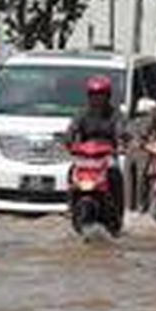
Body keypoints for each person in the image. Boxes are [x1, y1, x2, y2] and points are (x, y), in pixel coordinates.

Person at [65, 76, 125, 218]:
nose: (97, 99)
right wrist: (69, 141)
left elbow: (121, 131)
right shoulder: (81, 114)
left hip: (107, 156)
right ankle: (71, 205)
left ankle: (117, 209)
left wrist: (121, 143)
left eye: (101, 95)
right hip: (85, 156)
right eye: (93, 95)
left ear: (108, 96)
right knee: (71, 171)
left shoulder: (115, 115)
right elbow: (72, 129)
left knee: (115, 173)